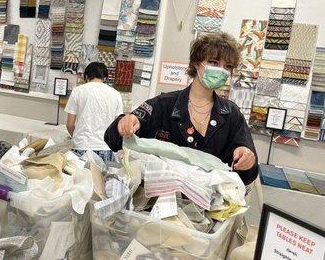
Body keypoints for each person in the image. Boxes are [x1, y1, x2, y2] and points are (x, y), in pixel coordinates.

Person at [105, 32, 258, 184]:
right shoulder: (163, 105)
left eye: (228, 66)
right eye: (213, 62)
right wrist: (122, 125)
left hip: (211, 204)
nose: (221, 70)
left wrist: (248, 161)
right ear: (197, 63)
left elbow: (247, 176)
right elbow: (113, 140)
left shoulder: (232, 115)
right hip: (162, 201)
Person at [65, 62, 123, 162]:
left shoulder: (77, 91)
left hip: (82, 146)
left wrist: (78, 137)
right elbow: (119, 127)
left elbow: (70, 125)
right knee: (102, 177)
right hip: (105, 148)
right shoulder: (116, 94)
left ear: (86, 76)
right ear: (105, 78)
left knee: (80, 177)